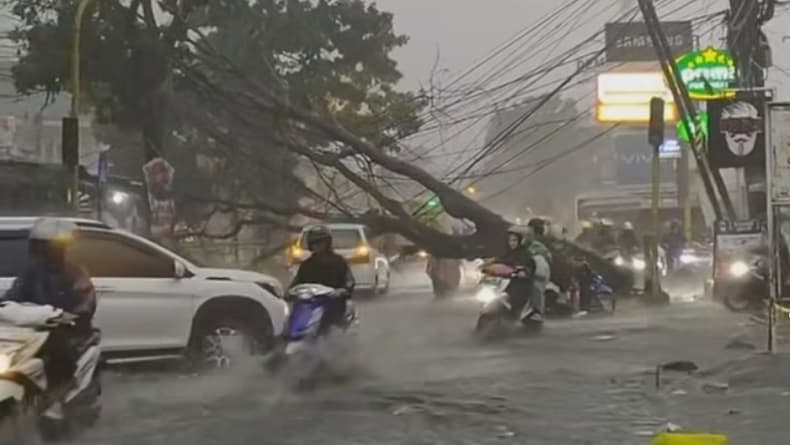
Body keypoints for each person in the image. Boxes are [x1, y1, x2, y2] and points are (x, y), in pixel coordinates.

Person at [2, 218, 96, 412]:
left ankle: (57, 394)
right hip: (34, 327)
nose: (48, 252)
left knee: (57, 346)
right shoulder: (31, 272)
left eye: (52, 247)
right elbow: (14, 295)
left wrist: (76, 314)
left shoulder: (75, 272)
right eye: (43, 247)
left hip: (65, 328)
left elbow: (86, 299)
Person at [291, 225, 355, 333]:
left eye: (321, 242)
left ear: (327, 243)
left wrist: (342, 290)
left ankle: (332, 337)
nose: (318, 245)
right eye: (315, 243)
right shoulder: (307, 264)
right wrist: (290, 292)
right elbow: (297, 281)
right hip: (310, 302)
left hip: (333, 301)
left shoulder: (339, 261)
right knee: (294, 314)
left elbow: (349, 280)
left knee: (332, 322)